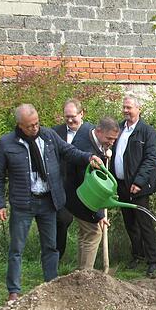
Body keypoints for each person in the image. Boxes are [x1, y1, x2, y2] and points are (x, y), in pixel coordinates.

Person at [0, 104, 103, 302]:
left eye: (37, 123)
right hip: (23, 203)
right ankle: (14, 291)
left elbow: (69, 151)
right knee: (17, 248)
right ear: (20, 125)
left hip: (48, 201)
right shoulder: (7, 143)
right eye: (30, 126)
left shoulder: (48, 136)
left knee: (51, 246)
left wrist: (88, 158)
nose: (35, 128)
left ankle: (51, 285)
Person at [110, 94, 156, 277]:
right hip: (121, 184)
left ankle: (153, 261)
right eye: (124, 107)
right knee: (129, 222)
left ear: (138, 109)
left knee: (144, 223)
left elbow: (150, 159)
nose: (126, 111)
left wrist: (139, 182)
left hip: (139, 186)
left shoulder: (147, 131)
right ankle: (137, 255)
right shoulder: (118, 129)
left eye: (129, 108)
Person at [64, 116, 120, 271]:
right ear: (99, 131)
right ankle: (86, 274)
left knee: (85, 233)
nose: (112, 143)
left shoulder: (88, 129)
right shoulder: (85, 149)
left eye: (115, 140)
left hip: (76, 193)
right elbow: (94, 190)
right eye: (109, 138)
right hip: (80, 196)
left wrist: (105, 151)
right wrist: (100, 215)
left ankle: (81, 271)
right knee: (94, 232)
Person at [52, 99, 93, 260]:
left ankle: (85, 265)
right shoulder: (56, 133)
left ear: (81, 114)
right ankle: (57, 257)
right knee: (62, 220)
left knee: (90, 227)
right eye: (66, 116)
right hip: (63, 187)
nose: (69, 120)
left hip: (86, 187)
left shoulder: (92, 132)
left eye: (73, 116)